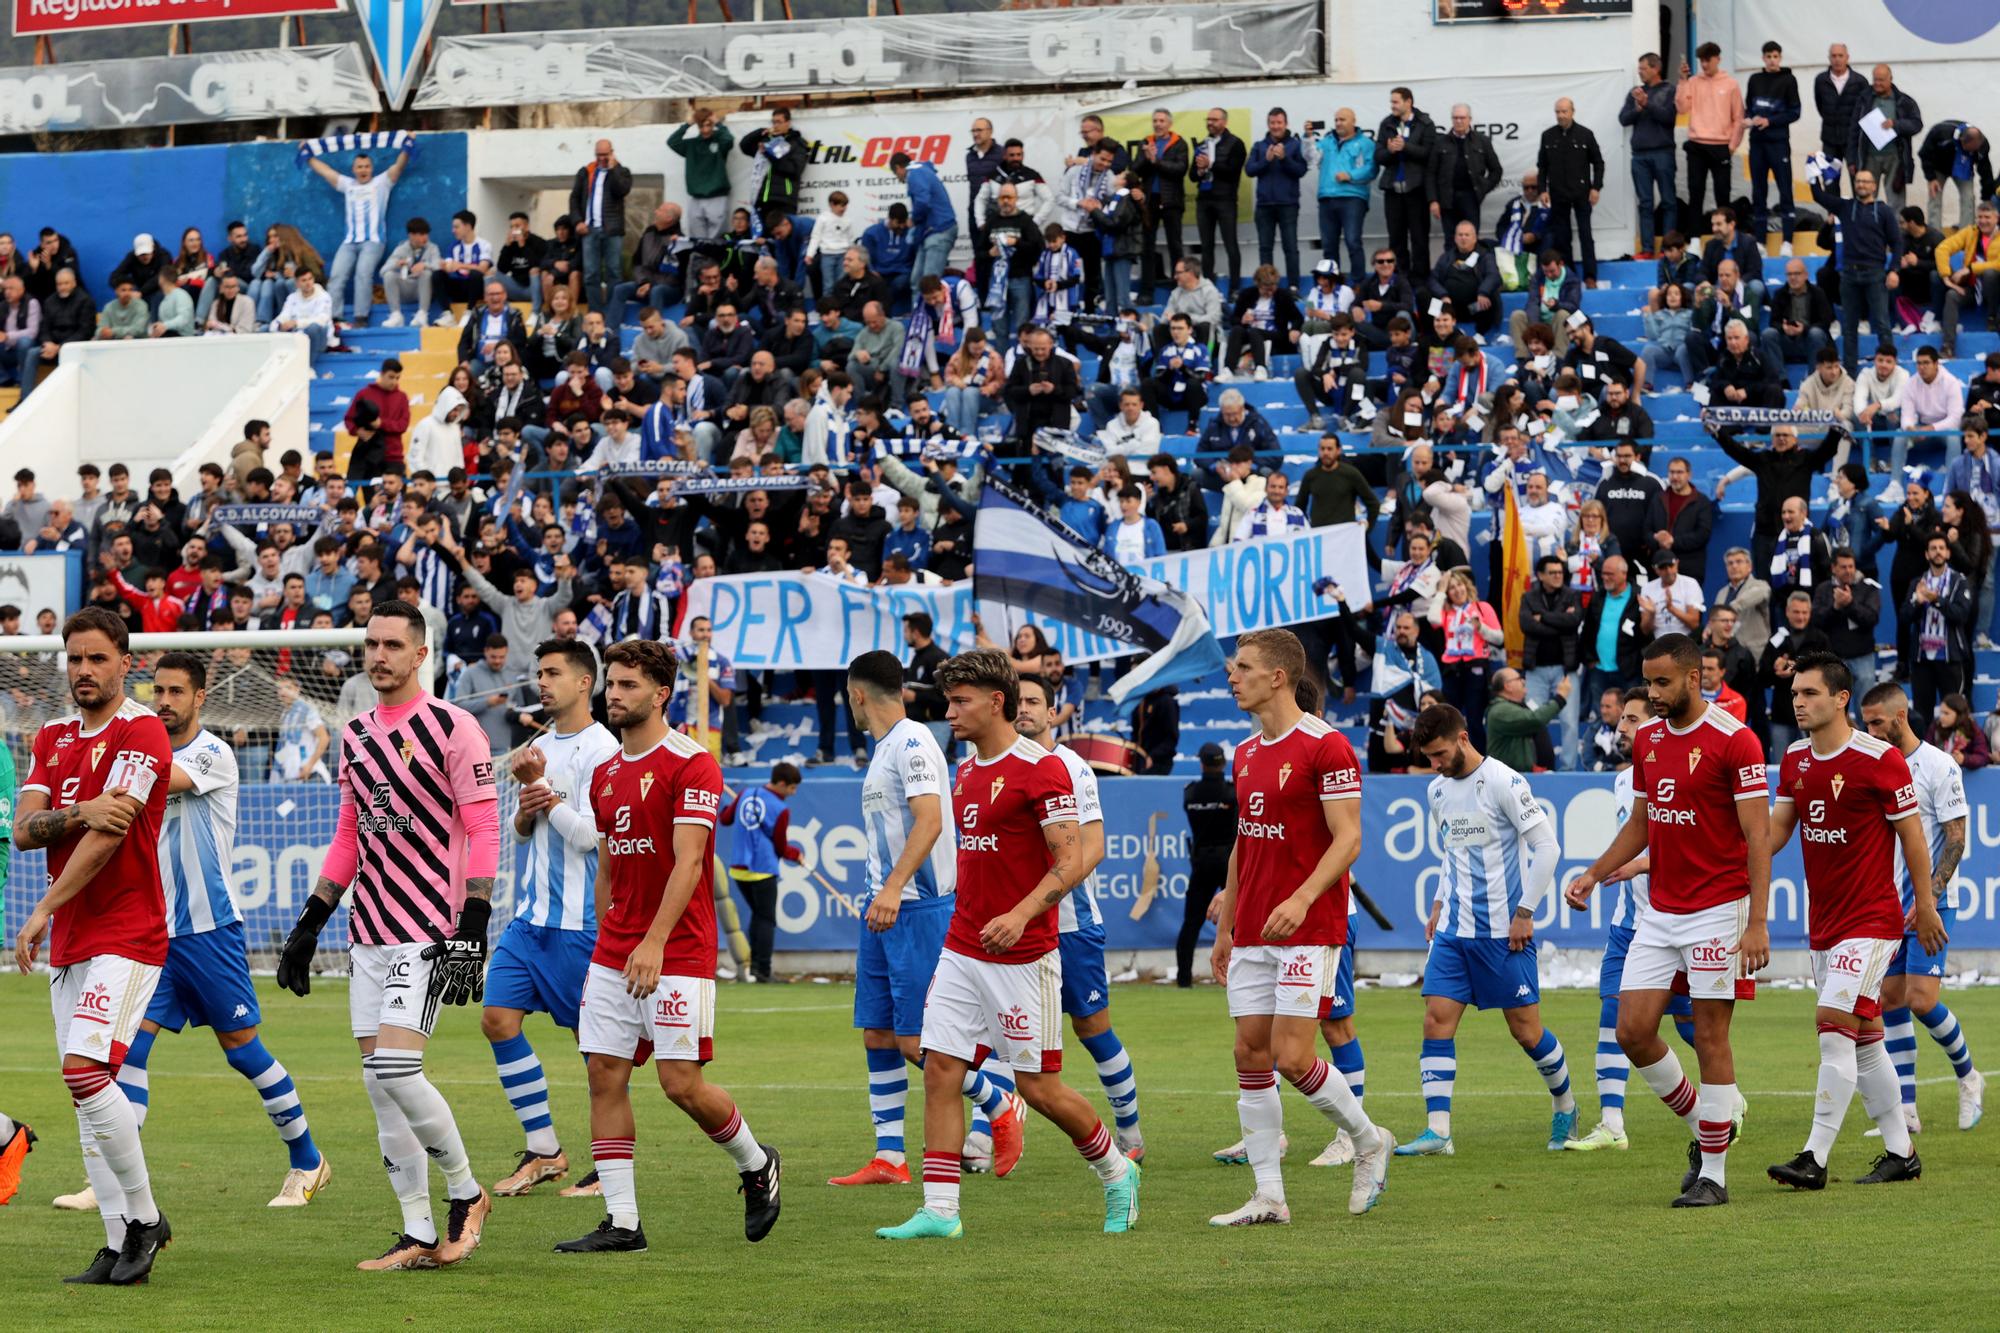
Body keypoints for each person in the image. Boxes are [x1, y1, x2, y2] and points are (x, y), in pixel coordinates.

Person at [874, 649, 1140, 1241]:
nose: (950, 713)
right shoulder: (965, 770)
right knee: (941, 1067)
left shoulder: (1043, 769)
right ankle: (940, 1210)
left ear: (997, 702)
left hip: (1024, 957)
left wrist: (1021, 916)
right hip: (963, 948)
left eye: (961, 701)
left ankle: (1117, 1170)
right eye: (947, 701)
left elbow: (1070, 860)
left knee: (1037, 1088)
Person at [270, 602, 497, 1269]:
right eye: (371, 643)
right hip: (367, 929)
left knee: (398, 1067)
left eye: (393, 644)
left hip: (427, 928)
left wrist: (473, 921)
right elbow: (350, 834)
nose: (379, 654)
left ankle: (468, 1191)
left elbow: (483, 828)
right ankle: (419, 1231)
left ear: (420, 654)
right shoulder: (357, 732)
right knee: (380, 1085)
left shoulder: (456, 728)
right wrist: (312, 920)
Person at [535, 639, 779, 1253]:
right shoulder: (606, 773)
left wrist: (653, 941)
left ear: (661, 693)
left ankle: (756, 1164)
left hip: (678, 949)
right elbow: (611, 860)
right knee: (603, 1074)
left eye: (627, 686)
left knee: (680, 1084)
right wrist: (605, 930)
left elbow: (690, 861)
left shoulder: (692, 764)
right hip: (614, 949)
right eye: (611, 685)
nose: (614, 696)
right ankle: (622, 1223)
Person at [1568, 633, 1770, 1208]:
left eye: (1663, 682)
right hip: (1660, 910)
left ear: (1693, 679)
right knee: (1632, 1030)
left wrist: (1758, 921)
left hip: (1718, 910)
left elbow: (1758, 836)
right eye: (1648, 681)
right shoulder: (1649, 741)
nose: (1653, 694)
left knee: (1709, 1036)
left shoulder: (1737, 741)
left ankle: (1715, 1175)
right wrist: (1595, 871)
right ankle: (1709, 1128)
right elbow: (1643, 820)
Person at [12, 607, 175, 1283]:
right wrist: (78, 810)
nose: (84, 670)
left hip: (128, 929)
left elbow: (113, 836)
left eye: (97, 658)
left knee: (84, 1070)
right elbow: (25, 829)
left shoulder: (143, 732)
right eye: (74, 659)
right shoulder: (50, 735)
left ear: (124, 661)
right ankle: (118, 1246)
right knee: (87, 1098)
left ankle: (145, 1217)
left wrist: (43, 905)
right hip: (74, 938)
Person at [1207, 629, 1390, 1227]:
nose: (1232, 676)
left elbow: (1349, 839)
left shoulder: (1327, 746)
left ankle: (1368, 1139)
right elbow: (1242, 844)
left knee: (1291, 1056)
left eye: (1243, 667)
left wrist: (1304, 895)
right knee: (1248, 1053)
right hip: (1254, 929)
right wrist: (1227, 926)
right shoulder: (1245, 752)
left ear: (1278, 676)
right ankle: (1269, 1196)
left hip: (1310, 926)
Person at [831, 651, 1024, 1186]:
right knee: (877, 1033)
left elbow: (932, 820)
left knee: (918, 1042)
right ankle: (890, 1157)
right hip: (885, 909)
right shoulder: (884, 749)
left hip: (915, 908)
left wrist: (893, 887)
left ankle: (999, 1102)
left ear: (858, 694)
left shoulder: (912, 741)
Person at [1764, 654, 1940, 1190]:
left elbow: (1912, 836)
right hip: (1826, 922)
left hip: (1871, 919)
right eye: (1796, 693)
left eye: (1811, 693)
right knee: (1864, 1040)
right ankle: (1900, 1152)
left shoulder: (1879, 759)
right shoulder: (1795, 759)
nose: (1799, 702)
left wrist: (1927, 904)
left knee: (1832, 1026)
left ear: (1841, 699)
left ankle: (1814, 1158)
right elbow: (1775, 833)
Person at [1395, 704, 1575, 1158]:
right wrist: (1438, 902)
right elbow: (1450, 853)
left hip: (1503, 934)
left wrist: (1525, 912)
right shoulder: (1436, 791)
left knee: (1527, 1033)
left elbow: (1547, 848)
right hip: (1455, 931)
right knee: (1436, 1020)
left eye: (1438, 754)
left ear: (1462, 738)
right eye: (1429, 757)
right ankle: (1438, 1131)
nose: (1434, 765)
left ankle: (1566, 1105)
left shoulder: (1504, 782)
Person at [476, 640, 620, 1199]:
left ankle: (609, 1167)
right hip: (529, 921)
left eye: (553, 673)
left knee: (599, 1053)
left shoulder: (602, 748)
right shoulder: (538, 743)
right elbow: (523, 831)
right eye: (539, 673)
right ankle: (544, 1150)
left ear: (585, 683)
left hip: (579, 925)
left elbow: (593, 837)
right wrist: (524, 807)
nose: (542, 682)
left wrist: (539, 789)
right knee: (497, 1020)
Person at [1013, 673, 1144, 1160]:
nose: (1024, 709)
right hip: (1017, 927)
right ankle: (989, 1135)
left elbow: (1093, 849)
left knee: (1092, 1029)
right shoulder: (996, 764)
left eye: (1034, 701)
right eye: (1018, 701)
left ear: (1053, 714)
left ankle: (1129, 1133)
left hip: (1070, 925)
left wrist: (1041, 900)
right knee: (1002, 1033)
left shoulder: (1071, 767)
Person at [1565, 689, 1698, 1150]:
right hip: (1629, 923)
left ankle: (1725, 1100)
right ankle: (1612, 1123)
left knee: (1692, 1026)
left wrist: (1642, 864)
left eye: (1631, 719)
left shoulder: (1682, 771)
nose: (1622, 728)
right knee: (1612, 1016)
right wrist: (1594, 874)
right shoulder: (1625, 781)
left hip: (1676, 921)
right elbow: (1634, 836)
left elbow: (1692, 844)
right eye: (1621, 719)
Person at [1859, 683, 1986, 1135]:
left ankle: (1969, 1076)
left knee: (1920, 999)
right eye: (1864, 722)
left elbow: (1956, 838)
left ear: (1900, 716)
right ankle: (1906, 1110)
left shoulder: (1938, 765)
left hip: (1929, 905)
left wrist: (1928, 899)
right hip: (1884, 905)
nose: (1869, 730)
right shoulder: (1871, 766)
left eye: (1876, 722)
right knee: (1890, 999)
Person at [304, 139, 412, 326]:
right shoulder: (348, 184)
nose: (363, 170)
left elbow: (399, 166)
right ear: (354, 170)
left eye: (367, 166)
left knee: (363, 275)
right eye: (359, 167)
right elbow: (325, 171)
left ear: (372, 168)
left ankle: (361, 317)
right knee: (336, 276)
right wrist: (307, 155)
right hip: (349, 242)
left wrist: (407, 145)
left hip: (374, 241)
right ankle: (334, 317)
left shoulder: (382, 183)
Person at [1808, 166, 1903, 372]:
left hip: (1875, 273)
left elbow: (1897, 242)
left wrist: (1894, 269)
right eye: (1858, 181)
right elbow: (1817, 195)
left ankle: (1890, 370)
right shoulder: (1845, 206)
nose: (1861, 185)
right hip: (1849, 275)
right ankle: (1850, 374)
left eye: (1865, 181)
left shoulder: (1884, 210)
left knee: (1882, 325)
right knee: (1849, 329)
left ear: (1874, 186)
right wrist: (1812, 170)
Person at [719, 763, 801, 988]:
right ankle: (762, 970)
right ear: (782, 784)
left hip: (738, 869)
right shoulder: (781, 809)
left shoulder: (745, 793)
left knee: (758, 915)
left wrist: (733, 804)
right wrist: (797, 854)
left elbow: (724, 819)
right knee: (766, 919)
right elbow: (781, 847)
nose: (793, 793)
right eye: (792, 788)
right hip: (762, 869)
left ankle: (754, 968)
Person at [1179, 741, 1236, 990]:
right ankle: (1236, 976)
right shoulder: (1233, 792)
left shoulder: (1190, 793)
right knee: (1235, 922)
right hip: (1229, 862)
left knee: (1191, 922)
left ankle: (1183, 980)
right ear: (1223, 763)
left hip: (1201, 862)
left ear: (1201, 763)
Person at [1904, 530, 1973, 727]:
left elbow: (1961, 615)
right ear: (1926, 554)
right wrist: (1918, 600)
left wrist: (1936, 600)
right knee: (1921, 715)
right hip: (1922, 659)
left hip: (1949, 658)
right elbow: (1904, 617)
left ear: (1948, 553)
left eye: (1942, 548)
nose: (1937, 552)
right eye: (1933, 548)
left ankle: (1955, 755)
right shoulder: (1917, 583)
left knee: (1955, 713)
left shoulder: (1959, 581)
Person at [1537, 98, 1604, 284]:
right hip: (1558, 195)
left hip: (1582, 193)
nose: (1561, 115)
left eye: (1564, 111)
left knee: (1586, 236)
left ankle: (1590, 277)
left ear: (1572, 112)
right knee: (1562, 238)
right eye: (1557, 112)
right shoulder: (1548, 136)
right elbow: (1542, 167)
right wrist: (1543, 189)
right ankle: (1571, 276)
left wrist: (1596, 187)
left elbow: (1598, 163)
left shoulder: (1585, 134)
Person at [1744, 41, 1803, 254]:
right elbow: (1748, 108)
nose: (1772, 60)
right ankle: (1760, 241)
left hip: (1778, 143)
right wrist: (1749, 120)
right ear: (1763, 58)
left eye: (1775, 56)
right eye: (1768, 56)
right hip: (1757, 143)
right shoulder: (1755, 79)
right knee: (1758, 192)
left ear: (1780, 58)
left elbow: (1795, 112)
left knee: (1785, 189)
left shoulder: (1788, 80)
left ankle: (1787, 241)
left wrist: (1770, 121)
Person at [1676, 42, 1744, 224]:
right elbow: (1682, 108)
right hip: (1697, 144)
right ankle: (1695, 238)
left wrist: (1732, 146)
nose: (1704, 65)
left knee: (1722, 194)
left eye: (1708, 60)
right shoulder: (1693, 82)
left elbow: (1739, 117)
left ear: (1718, 59)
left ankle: (1727, 235)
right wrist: (1682, 80)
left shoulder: (1731, 84)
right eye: (1701, 61)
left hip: (1721, 146)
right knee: (1695, 192)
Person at [1620, 53, 1679, 257]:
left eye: (1643, 68)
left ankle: (1668, 248)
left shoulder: (1669, 90)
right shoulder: (1635, 92)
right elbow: (1623, 119)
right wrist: (1637, 108)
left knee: (1669, 201)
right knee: (1644, 203)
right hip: (1640, 155)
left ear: (1655, 68)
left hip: (1663, 152)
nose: (1640, 72)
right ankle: (1647, 249)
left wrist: (1648, 105)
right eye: (1639, 68)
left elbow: (1669, 118)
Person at [1245, 107, 1310, 290]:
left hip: (1288, 204)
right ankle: (1266, 286)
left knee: (1290, 247)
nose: (1276, 126)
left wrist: (1284, 159)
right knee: (1265, 248)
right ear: (1268, 124)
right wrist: (1265, 160)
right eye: (1272, 123)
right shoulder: (1259, 145)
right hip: (1264, 205)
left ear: (1286, 124)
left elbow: (1301, 171)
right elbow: (1249, 170)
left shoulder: (1295, 145)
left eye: (1279, 122)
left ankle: (1293, 286)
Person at [569, 139, 631, 313]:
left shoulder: (622, 172)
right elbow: (574, 198)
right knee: (590, 274)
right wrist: (577, 221)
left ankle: (612, 311)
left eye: (605, 154)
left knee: (614, 272)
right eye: (599, 155)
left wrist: (613, 168)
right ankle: (595, 312)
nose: (602, 158)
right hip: (589, 229)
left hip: (612, 230)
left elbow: (621, 190)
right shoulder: (586, 172)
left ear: (612, 152)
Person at [1191, 107, 1247, 295]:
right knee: (1206, 247)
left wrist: (1211, 165)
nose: (1210, 123)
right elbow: (1192, 176)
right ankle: (1207, 287)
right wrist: (1199, 171)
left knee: (1231, 244)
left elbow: (1233, 171)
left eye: (1214, 119)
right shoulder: (1202, 144)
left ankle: (1235, 287)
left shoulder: (1236, 143)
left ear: (1224, 122)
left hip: (1225, 200)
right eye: (1208, 119)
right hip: (1204, 200)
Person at [1935, 199, 2000, 358]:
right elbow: (1942, 248)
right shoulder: (1970, 232)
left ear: (1996, 218)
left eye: (1987, 217)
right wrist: (1946, 277)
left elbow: (1998, 264)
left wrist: (1970, 268)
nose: (1983, 221)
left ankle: (1992, 317)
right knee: (1951, 295)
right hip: (1972, 287)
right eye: (1980, 217)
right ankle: (1948, 346)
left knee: (1990, 273)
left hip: (1995, 290)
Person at [1426, 103, 1500, 241]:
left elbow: (1496, 170)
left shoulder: (1482, 141)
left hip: (1470, 197)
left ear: (1469, 119)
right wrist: (1433, 200)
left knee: (1470, 240)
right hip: (1447, 199)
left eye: (1462, 118)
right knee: (1450, 239)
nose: (1459, 121)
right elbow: (1431, 173)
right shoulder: (1440, 142)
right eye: (1455, 118)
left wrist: (1483, 188)